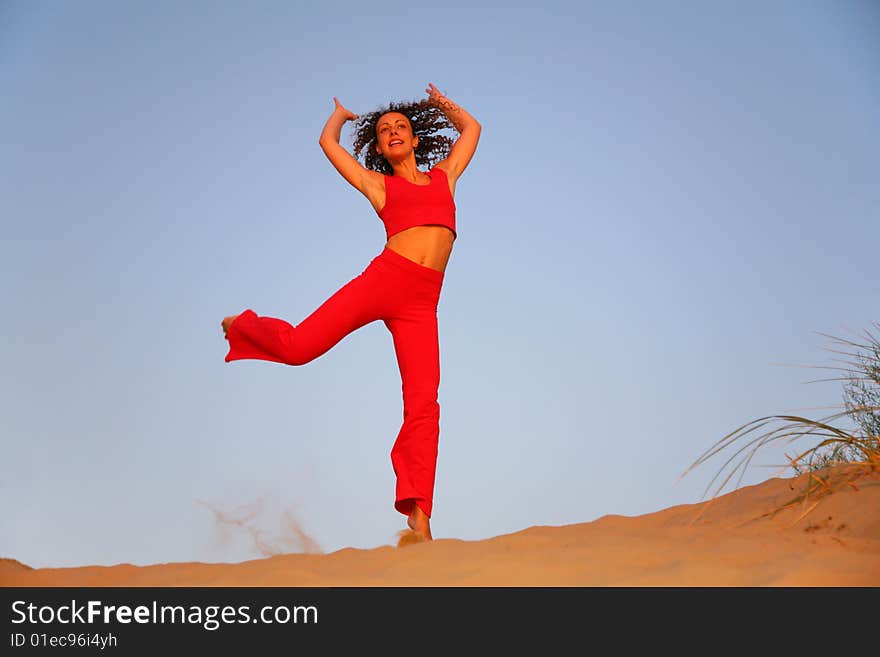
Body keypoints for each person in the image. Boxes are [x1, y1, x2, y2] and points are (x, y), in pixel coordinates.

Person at [221, 83, 481, 543]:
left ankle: (419, 517)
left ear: (415, 139)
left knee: (424, 403)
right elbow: (328, 145)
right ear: (380, 147)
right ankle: (244, 328)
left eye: (400, 126)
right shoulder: (380, 185)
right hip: (385, 281)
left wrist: (442, 104)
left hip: (422, 302)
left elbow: (472, 128)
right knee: (301, 347)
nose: (394, 131)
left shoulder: (446, 176)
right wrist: (340, 117)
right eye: (385, 131)